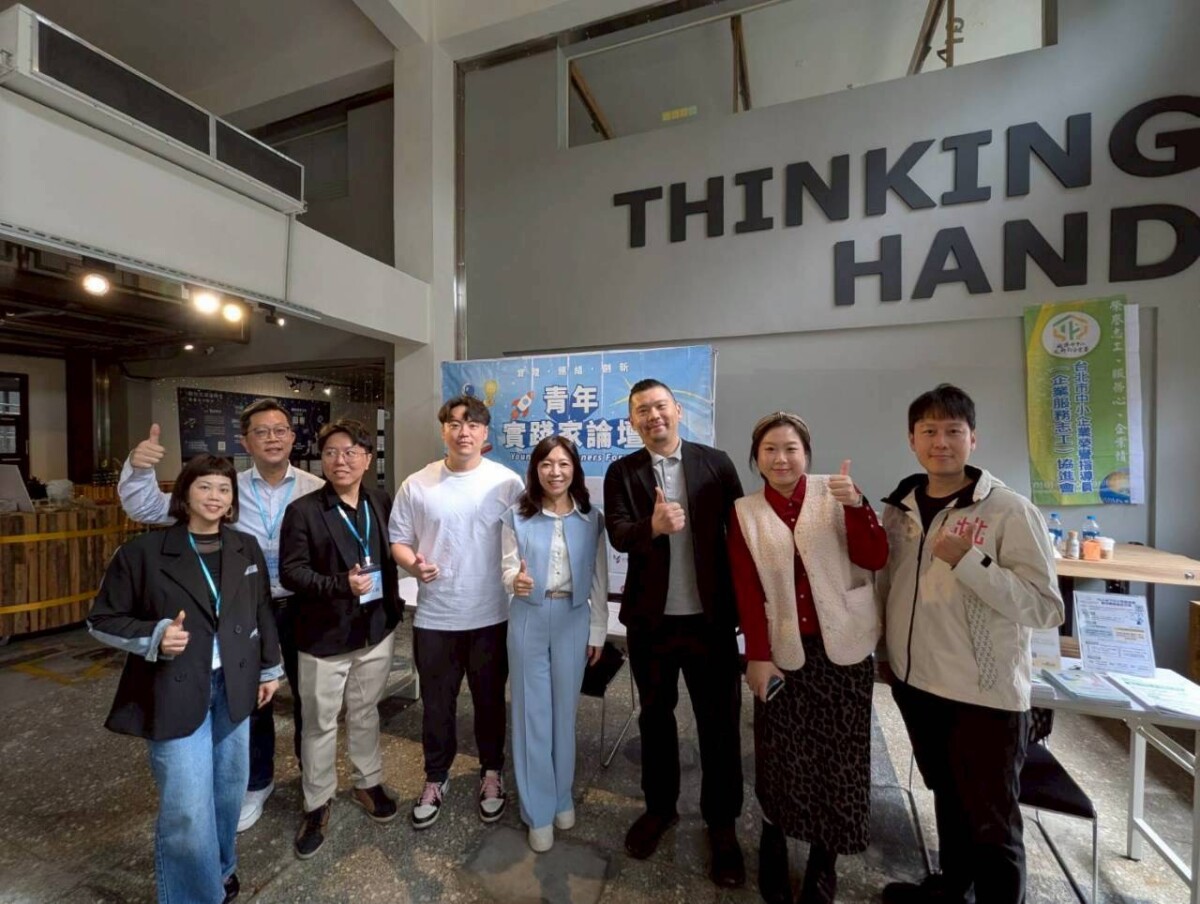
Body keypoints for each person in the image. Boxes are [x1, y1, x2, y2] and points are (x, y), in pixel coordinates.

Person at [878, 384, 1064, 904]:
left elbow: (1045, 607)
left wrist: (970, 561)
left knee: (992, 821)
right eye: (929, 431)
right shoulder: (900, 509)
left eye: (953, 431)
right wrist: (885, 657)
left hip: (984, 693)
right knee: (947, 795)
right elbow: (888, 587)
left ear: (973, 439)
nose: (941, 442)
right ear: (912, 440)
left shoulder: (1009, 510)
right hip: (917, 683)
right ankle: (952, 888)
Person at [117, 400, 324, 832]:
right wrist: (138, 469)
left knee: (312, 699)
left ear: (293, 438)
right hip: (240, 610)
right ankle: (257, 781)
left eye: (280, 430)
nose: (272, 438)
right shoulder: (224, 487)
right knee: (250, 700)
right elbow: (148, 509)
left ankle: (315, 782)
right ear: (245, 441)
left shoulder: (314, 487)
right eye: (261, 431)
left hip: (304, 606)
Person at [89, 454, 282, 904]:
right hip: (174, 687)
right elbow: (102, 619)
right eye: (204, 487)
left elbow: (261, 611)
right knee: (188, 807)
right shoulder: (143, 553)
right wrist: (155, 635)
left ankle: (222, 871)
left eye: (224, 489)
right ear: (184, 494)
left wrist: (270, 669)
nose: (215, 497)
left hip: (234, 687)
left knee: (228, 793)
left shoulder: (245, 547)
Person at [727, 412, 888, 904]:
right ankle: (773, 840)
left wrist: (857, 507)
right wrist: (757, 656)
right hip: (782, 652)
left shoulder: (837, 492)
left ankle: (824, 859)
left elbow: (875, 556)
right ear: (756, 458)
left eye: (791, 448)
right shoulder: (745, 512)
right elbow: (747, 590)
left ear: (806, 453)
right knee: (779, 757)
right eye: (770, 449)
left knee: (839, 760)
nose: (781, 458)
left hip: (844, 648)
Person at [603, 378, 746, 888]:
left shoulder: (716, 463)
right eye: (642, 410)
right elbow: (618, 532)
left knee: (719, 724)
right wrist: (654, 527)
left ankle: (722, 825)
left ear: (678, 410)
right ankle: (659, 809)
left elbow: (740, 534)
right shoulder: (623, 471)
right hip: (652, 624)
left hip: (710, 623)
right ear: (632, 420)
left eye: (660, 406)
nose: (653, 416)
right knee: (655, 719)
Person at [389, 395, 524, 829]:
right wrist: (413, 565)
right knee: (436, 705)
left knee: (490, 702)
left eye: (472, 424)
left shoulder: (507, 483)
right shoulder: (417, 484)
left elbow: (525, 541)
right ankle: (435, 777)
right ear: (443, 430)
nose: (463, 431)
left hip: (491, 616)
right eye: (454, 423)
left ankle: (492, 773)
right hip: (435, 618)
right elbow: (398, 540)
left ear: (485, 432)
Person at [279, 419, 404, 859]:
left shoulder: (380, 500)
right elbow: (291, 572)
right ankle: (316, 802)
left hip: (375, 630)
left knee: (366, 711)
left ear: (368, 459)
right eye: (331, 452)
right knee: (319, 722)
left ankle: (367, 782)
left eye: (351, 452)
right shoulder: (304, 511)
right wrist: (339, 585)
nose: (341, 460)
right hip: (323, 637)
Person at [500, 436, 609, 853]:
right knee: (532, 715)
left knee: (565, 713)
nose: (555, 472)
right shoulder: (517, 516)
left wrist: (597, 631)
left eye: (563, 463)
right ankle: (539, 810)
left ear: (575, 469)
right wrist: (515, 581)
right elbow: (507, 568)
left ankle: (562, 796)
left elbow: (598, 578)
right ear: (535, 470)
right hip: (529, 617)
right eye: (546, 464)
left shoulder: (591, 519)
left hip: (574, 618)